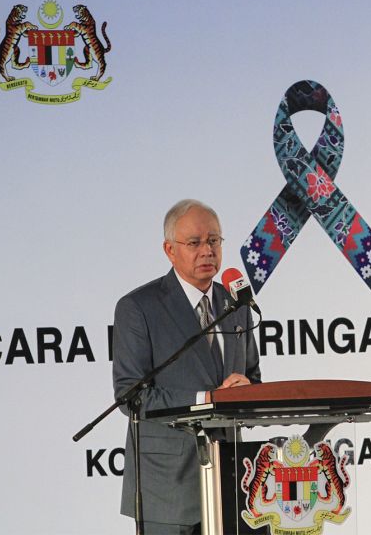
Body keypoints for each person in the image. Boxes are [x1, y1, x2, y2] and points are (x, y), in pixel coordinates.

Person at [112, 199, 261, 535]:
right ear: (170, 250)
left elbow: (252, 377)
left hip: (232, 481)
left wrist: (247, 392)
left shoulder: (236, 304)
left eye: (214, 240)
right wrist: (207, 399)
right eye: (194, 243)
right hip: (168, 487)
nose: (207, 250)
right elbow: (131, 397)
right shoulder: (139, 308)